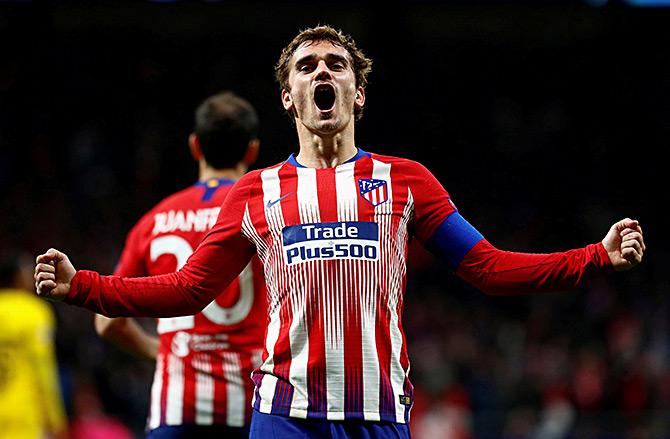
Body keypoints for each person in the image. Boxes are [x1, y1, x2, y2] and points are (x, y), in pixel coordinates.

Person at [35, 25, 646, 439]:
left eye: (336, 65)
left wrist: (596, 256)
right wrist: (81, 286)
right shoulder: (256, 191)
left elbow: (489, 269)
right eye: (307, 66)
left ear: (357, 94)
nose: (322, 71)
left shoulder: (406, 181)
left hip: (380, 415)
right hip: (284, 415)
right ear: (288, 97)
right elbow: (187, 290)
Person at [93, 91, 267, 438]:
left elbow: (106, 324)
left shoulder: (155, 219)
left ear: (194, 146)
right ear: (252, 150)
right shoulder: (265, 210)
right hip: (253, 408)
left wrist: (161, 352)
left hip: (176, 408)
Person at [0, 250, 68, 439]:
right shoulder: (33, 311)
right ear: (17, 277)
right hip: (24, 414)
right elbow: (42, 366)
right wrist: (55, 418)